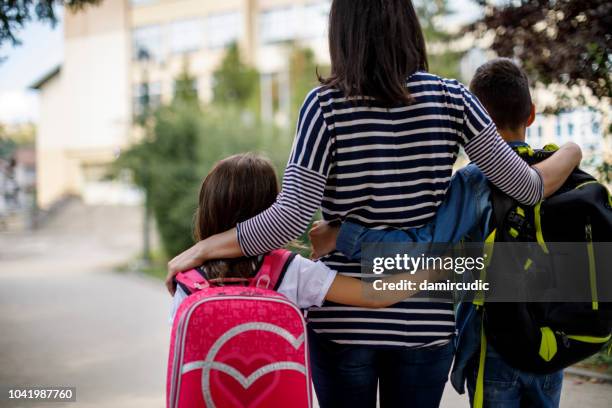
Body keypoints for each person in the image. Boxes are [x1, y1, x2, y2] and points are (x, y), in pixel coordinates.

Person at [166, 1, 581, 406]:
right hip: (424, 322)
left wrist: (203, 247)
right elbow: (528, 188)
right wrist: (573, 150)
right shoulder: (454, 100)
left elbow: (288, 220)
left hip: (344, 325)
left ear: (342, 31)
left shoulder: (324, 107)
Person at [309, 58, 566, 408]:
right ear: (531, 113)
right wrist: (573, 151)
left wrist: (342, 236)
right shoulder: (563, 175)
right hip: (547, 346)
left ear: (479, 121)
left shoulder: (474, 183)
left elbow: (421, 249)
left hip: (490, 344)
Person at [170, 153, 445, 322]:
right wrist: (442, 269)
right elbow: (375, 296)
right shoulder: (291, 270)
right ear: (270, 210)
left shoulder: (189, 280)